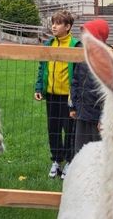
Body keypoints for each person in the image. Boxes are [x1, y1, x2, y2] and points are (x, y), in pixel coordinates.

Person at [34, 10, 78, 179]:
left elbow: (79, 74)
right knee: (53, 129)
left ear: (68, 27)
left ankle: (68, 161)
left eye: (58, 23)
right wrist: (39, 88)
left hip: (68, 98)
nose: (53, 26)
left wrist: (75, 97)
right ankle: (56, 160)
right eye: (53, 23)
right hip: (51, 95)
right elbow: (41, 68)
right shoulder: (48, 45)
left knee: (69, 130)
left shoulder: (75, 45)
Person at [69, 18, 111, 155]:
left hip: (97, 116)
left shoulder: (108, 58)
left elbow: (110, 93)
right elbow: (75, 80)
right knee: (80, 149)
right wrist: (73, 105)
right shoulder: (83, 54)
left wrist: (104, 117)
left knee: (99, 151)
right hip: (82, 111)